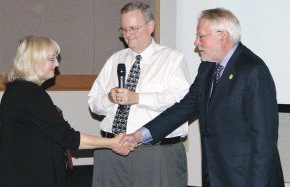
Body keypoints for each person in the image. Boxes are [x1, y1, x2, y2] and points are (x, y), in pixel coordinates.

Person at [122, 8, 285, 187]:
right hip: (215, 176)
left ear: (222, 36)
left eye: (201, 36)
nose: (196, 42)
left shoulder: (252, 70)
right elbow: (184, 107)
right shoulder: (207, 68)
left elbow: (264, 141)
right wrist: (140, 135)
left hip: (246, 179)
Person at [0, 35, 136, 187]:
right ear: (34, 61)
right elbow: (68, 137)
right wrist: (112, 142)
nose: (57, 63)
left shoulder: (16, 89)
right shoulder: (31, 94)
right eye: (51, 59)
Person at [87, 2, 191, 186]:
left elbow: (180, 101)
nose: (128, 35)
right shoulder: (115, 60)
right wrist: (109, 98)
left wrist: (137, 98)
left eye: (134, 28)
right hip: (110, 149)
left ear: (151, 26)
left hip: (154, 152)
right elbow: (93, 103)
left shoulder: (172, 58)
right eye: (124, 29)